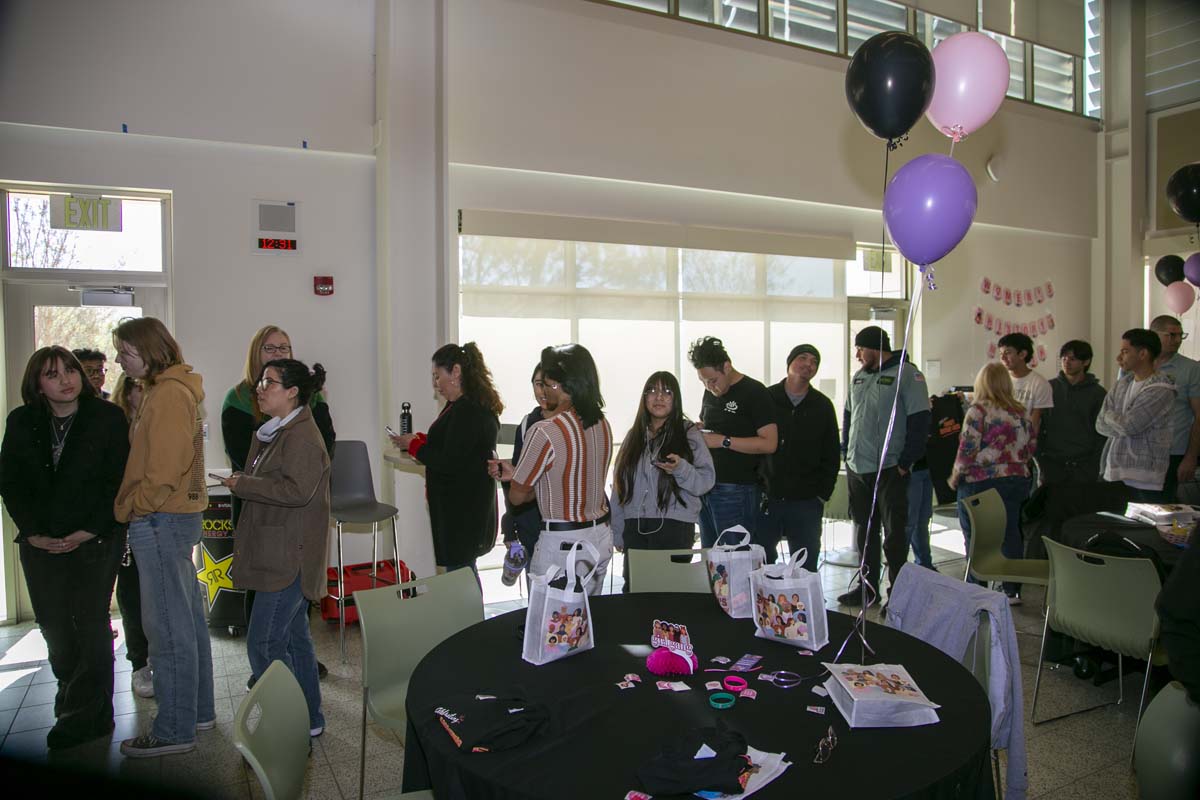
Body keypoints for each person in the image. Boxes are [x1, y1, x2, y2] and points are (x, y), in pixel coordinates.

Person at [0, 347, 129, 749]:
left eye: (70, 371)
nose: (66, 380)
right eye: (53, 375)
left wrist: (90, 529)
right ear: (37, 384)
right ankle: (74, 695)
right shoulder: (22, 421)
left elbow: (118, 480)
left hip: (96, 538)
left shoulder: (107, 417)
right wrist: (33, 533)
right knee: (54, 625)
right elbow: (10, 481)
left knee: (89, 622)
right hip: (41, 540)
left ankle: (87, 713)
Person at [111, 317, 214, 758]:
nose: (119, 359)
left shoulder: (169, 392)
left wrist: (138, 505)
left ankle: (174, 728)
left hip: (160, 518)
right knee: (185, 622)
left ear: (150, 350)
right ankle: (198, 713)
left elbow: (166, 468)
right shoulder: (170, 388)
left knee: (167, 628)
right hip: (169, 517)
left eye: (126, 351)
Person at [218, 359, 331, 738]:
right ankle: (309, 719)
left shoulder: (300, 437)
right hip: (278, 551)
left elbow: (297, 491)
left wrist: (244, 484)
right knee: (296, 640)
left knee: (264, 644)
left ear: (293, 392)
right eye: (261, 382)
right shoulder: (277, 431)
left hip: (288, 557)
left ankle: (287, 727)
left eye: (269, 383)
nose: (260, 389)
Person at [493, 344, 613, 594]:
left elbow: (517, 497)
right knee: (589, 614)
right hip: (599, 537)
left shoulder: (545, 431)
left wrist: (520, 477)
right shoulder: (602, 424)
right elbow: (577, 474)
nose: (544, 390)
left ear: (563, 385)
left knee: (550, 617)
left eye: (548, 383)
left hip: (562, 544)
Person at [391, 342, 502, 577]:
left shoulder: (467, 410)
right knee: (463, 573)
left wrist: (414, 445)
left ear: (456, 372)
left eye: (437, 376)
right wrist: (419, 440)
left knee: (461, 575)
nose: (436, 384)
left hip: (463, 509)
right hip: (465, 505)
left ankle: (470, 605)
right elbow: (453, 443)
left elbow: (448, 460)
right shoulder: (463, 406)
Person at [839, 326, 930, 607]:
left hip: (890, 469)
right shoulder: (859, 377)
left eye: (860, 349)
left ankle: (898, 594)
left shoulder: (907, 374)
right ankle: (867, 589)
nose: (857, 355)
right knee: (864, 533)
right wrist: (845, 452)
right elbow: (849, 416)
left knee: (894, 535)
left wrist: (905, 463)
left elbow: (920, 421)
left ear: (875, 348)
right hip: (858, 468)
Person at [610, 371, 715, 591]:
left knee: (670, 594)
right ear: (644, 397)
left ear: (676, 399)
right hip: (635, 527)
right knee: (634, 591)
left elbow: (706, 481)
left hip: (675, 527)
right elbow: (619, 486)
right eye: (652, 390)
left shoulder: (688, 433)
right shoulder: (633, 436)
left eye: (667, 391)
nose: (659, 397)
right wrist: (617, 530)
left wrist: (681, 469)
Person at [222, 325, 336, 525]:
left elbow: (326, 443)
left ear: (293, 392)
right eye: (270, 348)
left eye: (284, 347)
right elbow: (242, 456)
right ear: (255, 353)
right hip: (256, 503)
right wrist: (273, 484)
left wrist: (295, 479)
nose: (278, 353)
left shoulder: (311, 396)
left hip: (303, 500)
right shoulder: (237, 398)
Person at [948, 363, 1036, 603]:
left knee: (977, 536)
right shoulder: (1021, 411)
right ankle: (1012, 589)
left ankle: (977, 587)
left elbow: (967, 450)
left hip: (981, 481)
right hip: (1016, 479)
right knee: (1011, 533)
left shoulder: (978, 411)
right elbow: (1031, 447)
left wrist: (955, 476)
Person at [687, 336, 777, 548]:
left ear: (726, 367)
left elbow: (769, 443)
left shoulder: (755, 392)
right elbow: (714, 424)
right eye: (703, 382)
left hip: (736, 489)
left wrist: (724, 441)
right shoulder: (709, 392)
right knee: (711, 556)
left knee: (734, 557)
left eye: (712, 380)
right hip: (707, 485)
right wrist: (700, 428)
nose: (709, 387)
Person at [759, 344, 839, 570]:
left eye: (814, 361)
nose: (808, 364)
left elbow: (832, 454)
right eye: (803, 358)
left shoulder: (822, 405)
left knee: (805, 565)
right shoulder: (766, 398)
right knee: (762, 563)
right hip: (767, 498)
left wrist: (822, 494)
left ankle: (802, 596)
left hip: (807, 501)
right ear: (790, 363)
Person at [1096, 329, 1177, 503]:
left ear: (1143, 354)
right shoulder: (1122, 384)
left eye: (1125, 351)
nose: (1119, 357)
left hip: (1144, 475)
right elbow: (1100, 425)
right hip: (1114, 470)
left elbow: (1130, 426)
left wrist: (1109, 415)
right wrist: (1118, 422)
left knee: (1142, 520)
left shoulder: (1161, 388)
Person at [111, 375, 154, 699]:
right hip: (124, 523)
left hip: (158, 522)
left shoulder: (159, 425)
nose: (143, 394)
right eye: (137, 388)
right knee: (132, 595)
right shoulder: (114, 427)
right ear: (126, 394)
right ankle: (139, 663)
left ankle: (158, 659)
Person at [1037, 340, 1107, 486]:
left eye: (1072, 359)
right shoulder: (1048, 388)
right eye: (1064, 358)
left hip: (1085, 466)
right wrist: (1040, 458)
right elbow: (1038, 424)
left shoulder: (1098, 393)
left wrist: (1096, 464)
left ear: (1086, 362)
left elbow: (1101, 434)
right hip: (1052, 464)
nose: (1066, 362)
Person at [500, 364, 549, 575]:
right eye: (538, 384)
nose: (543, 391)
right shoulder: (528, 423)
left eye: (549, 384)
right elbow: (516, 476)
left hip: (561, 528)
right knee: (535, 586)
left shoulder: (572, 425)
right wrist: (510, 526)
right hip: (530, 524)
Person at [1148, 315, 1200, 501]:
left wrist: (1191, 457)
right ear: (1154, 335)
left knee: (1166, 507)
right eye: (1171, 335)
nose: (1177, 340)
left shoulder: (1191, 368)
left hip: (1174, 451)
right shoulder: (1138, 363)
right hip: (1139, 453)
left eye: (1180, 335)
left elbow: (1199, 415)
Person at [997, 333, 1053, 437]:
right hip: (999, 439)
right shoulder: (998, 380)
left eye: (1007, 353)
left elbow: (1035, 424)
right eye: (1000, 353)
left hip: (1024, 440)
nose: (1003, 358)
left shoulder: (1040, 384)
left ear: (1022, 354)